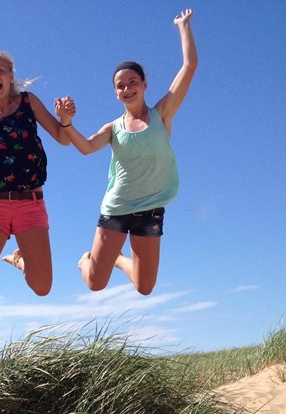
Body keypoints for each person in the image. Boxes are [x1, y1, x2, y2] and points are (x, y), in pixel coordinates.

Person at [56, 9, 198, 295]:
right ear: (116, 94)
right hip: (117, 209)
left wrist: (183, 26)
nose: (127, 88)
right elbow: (85, 147)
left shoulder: (162, 114)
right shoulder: (113, 128)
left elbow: (190, 65)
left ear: (144, 85)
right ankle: (87, 259)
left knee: (145, 287)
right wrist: (66, 123)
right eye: (120, 86)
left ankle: (118, 260)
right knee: (96, 283)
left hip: (150, 210)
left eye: (132, 82)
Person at [0, 50, 74, 296]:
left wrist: (65, 119)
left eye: (0, 71)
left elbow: (62, 138)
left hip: (31, 203)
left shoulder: (28, 102)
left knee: (42, 288)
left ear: (10, 76)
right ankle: (11, 254)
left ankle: (19, 260)